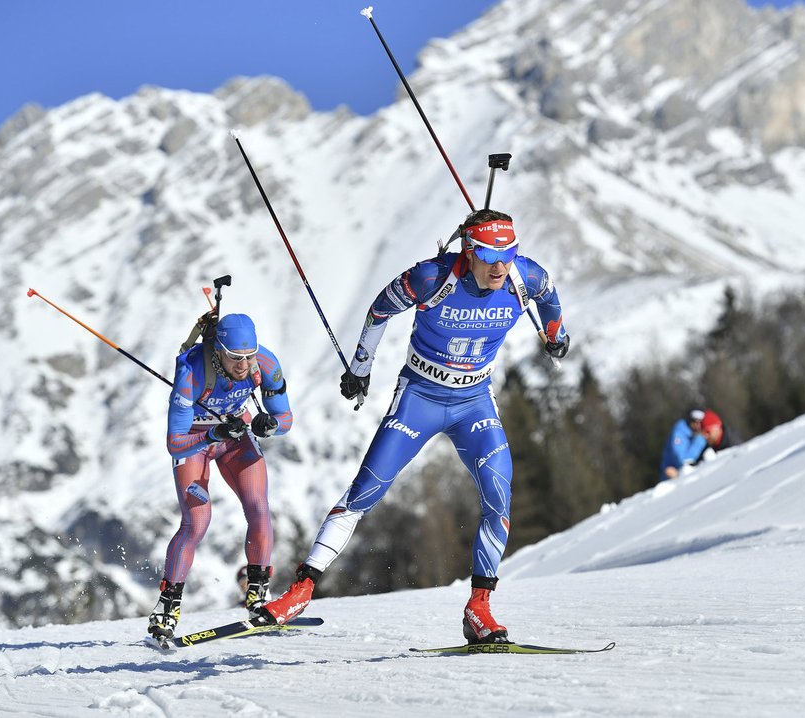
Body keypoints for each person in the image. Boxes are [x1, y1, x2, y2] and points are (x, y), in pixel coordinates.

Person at [256, 209, 569, 644]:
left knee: (499, 496)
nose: (500, 266)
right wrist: (360, 369)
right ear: (468, 251)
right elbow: (379, 310)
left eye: (509, 254)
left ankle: (479, 609)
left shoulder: (524, 277)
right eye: (489, 255)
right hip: (419, 398)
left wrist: (556, 335)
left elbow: (550, 298)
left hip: (474, 402)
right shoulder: (431, 278)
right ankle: (300, 592)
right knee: (364, 492)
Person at [147, 313, 293, 642]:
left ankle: (257, 595)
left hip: (235, 436)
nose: (243, 366)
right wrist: (213, 432)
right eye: (235, 358)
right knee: (197, 521)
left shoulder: (265, 365)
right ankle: (167, 608)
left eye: (248, 357)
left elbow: (285, 418)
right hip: (196, 442)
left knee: (258, 506)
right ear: (218, 351)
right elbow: (174, 442)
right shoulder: (191, 370)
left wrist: (269, 425)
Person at [659, 409, 708, 481]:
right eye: (695, 422)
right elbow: (684, 461)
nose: (698, 425)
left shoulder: (697, 435)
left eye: (701, 422)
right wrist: (700, 440)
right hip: (673, 479)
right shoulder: (679, 434)